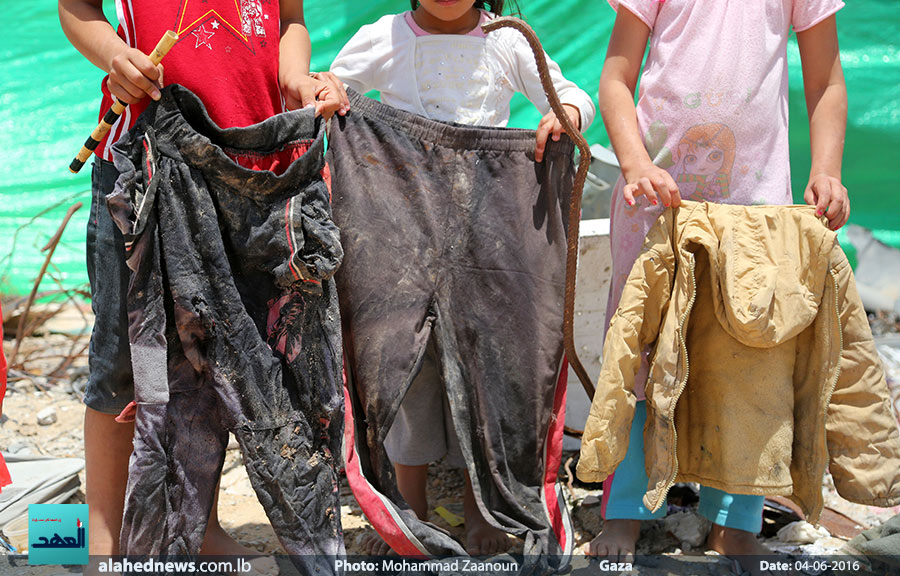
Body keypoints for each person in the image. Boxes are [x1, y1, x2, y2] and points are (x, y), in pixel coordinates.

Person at [58, 0, 347, 568]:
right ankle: (101, 541)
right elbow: (75, 8)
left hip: (252, 166)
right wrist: (117, 57)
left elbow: (290, 20)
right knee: (123, 358)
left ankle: (199, 527)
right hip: (146, 160)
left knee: (214, 360)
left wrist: (295, 79)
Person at [585, 0, 848, 569]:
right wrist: (634, 163)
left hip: (755, 212)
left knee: (749, 360)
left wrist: (827, 169)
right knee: (643, 357)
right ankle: (626, 511)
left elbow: (825, 77)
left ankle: (735, 522)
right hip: (656, 203)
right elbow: (616, 76)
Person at [330, 0, 594, 556]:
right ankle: (408, 512)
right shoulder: (384, 37)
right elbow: (326, 85)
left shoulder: (508, 42)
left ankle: (485, 512)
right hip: (399, 235)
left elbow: (570, 95)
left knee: (487, 373)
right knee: (404, 374)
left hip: (487, 237)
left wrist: (564, 116)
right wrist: (327, 91)